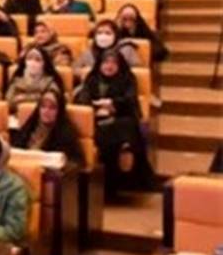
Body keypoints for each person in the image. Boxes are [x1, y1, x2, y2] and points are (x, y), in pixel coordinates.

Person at [74, 48, 153, 193]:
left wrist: (113, 104)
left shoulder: (128, 78)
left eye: (113, 63)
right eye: (105, 62)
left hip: (120, 118)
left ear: (119, 65)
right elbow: (83, 100)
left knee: (125, 129)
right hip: (96, 120)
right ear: (99, 64)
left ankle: (122, 182)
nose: (109, 66)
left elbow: (130, 101)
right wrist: (96, 108)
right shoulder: (92, 78)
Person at [11, 89, 85, 167]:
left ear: (59, 111)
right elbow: (14, 151)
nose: (46, 111)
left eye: (52, 108)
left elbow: (76, 162)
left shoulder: (65, 134)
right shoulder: (29, 127)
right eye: (43, 106)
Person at [6, 47, 64, 113]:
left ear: (44, 63)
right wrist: (38, 97)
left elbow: (52, 101)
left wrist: (22, 98)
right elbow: (8, 103)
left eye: (37, 60)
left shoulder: (50, 82)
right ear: (25, 62)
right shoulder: (16, 81)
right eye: (29, 59)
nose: (32, 63)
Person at [73, 20, 140, 71]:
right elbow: (75, 69)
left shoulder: (126, 49)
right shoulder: (89, 53)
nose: (103, 36)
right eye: (99, 33)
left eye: (108, 33)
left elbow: (138, 71)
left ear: (116, 36)